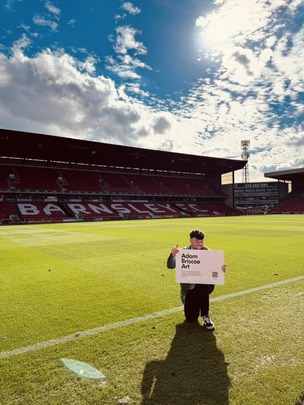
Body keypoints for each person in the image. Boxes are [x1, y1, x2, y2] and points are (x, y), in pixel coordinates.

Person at [167, 228, 227, 330]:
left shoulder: (208, 252)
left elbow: (215, 271)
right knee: (191, 318)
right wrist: (173, 255)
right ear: (190, 240)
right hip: (189, 289)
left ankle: (205, 315)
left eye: (201, 241)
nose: (199, 244)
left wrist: (221, 269)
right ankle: (196, 306)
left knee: (202, 283)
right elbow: (170, 266)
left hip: (205, 286)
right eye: (196, 241)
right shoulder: (184, 252)